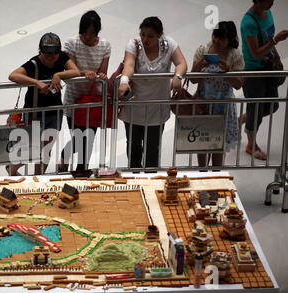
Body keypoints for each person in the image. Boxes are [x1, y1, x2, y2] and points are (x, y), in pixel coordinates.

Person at [118, 16, 187, 169]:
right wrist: (123, 81)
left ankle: (151, 182)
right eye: (142, 34)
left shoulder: (169, 44)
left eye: (150, 36)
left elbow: (181, 63)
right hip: (134, 107)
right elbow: (129, 64)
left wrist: (178, 76)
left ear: (159, 35)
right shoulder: (134, 44)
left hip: (157, 108)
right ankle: (135, 180)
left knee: (152, 150)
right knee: (134, 148)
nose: (145, 39)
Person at [8, 32, 80, 176]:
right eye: (47, 55)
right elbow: (13, 75)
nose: (51, 58)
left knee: (46, 149)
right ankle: (12, 170)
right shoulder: (33, 63)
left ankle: (38, 177)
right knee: (31, 148)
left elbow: (76, 71)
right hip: (34, 113)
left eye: (54, 54)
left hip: (54, 112)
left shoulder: (62, 59)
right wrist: (37, 82)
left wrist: (58, 75)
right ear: (40, 51)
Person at [58, 10, 111, 172]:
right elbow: (71, 71)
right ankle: (65, 155)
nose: (88, 37)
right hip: (74, 100)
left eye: (92, 33)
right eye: (85, 32)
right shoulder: (71, 44)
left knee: (89, 140)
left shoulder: (105, 46)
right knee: (78, 138)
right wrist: (84, 73)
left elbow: (103, 72)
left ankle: (81, 172)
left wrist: (101, 75)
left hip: (93, 101)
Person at [191, 21, 244, 167]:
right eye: (215, 36)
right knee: (202, 145)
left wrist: (228, 72)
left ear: (231, 39)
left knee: (218, 148)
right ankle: (202, 176)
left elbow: (239, 84)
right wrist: (198, 67)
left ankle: (216, 178)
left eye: (221, 38)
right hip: (203, 107)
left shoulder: (235, 56)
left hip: (224, 110)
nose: (216, 40)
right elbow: (193, 80)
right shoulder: (203, 50)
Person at [240, 0, 288, 160]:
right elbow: (255, 53)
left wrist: (277, 57)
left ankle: (241, 119)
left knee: (271, 106)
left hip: (268, 67)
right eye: (267, 0)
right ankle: (251, 145)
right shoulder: (248, 22)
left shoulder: (268, 13)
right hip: (254, 72)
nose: (271, 3)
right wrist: (276, 40)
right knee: (256, 112)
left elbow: (267, 39)